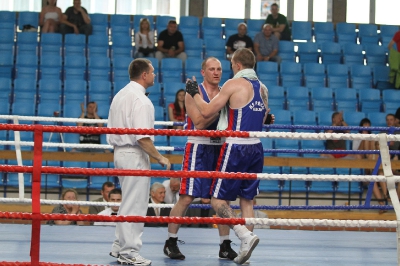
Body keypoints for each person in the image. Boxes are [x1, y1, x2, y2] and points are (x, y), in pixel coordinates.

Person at [186, 48, 269, 264]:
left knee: (217, 199)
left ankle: (244, 235)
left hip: (236, 147)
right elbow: (264, 118)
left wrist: (195, 91)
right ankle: (245, 246)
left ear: (237, 65)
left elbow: (205, 111)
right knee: (247, 201)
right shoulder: (263, 89)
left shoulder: (234, 84)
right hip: (257, 147)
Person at [163, 57, 236, 261]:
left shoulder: (226, 92)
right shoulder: (192, 93)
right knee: (186, 197)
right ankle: (171, 242)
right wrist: (219, 108)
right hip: (198, 147)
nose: (216, 72)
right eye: (211, 69)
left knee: (223, 199)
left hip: (220, 147)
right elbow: (199, 123)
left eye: (219, 69)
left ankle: (225, 245)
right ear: (203, 72)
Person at [107, 58, 171, 265]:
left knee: (128, 201)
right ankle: (129, 251)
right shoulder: (141, 101)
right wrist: (160, 157)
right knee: (135, 204)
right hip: (134, 154)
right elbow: (142, 138)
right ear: (144, 75)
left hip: (121, 153)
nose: (154, 75)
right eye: (152, 72)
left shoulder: (120, 94)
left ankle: (119, 246)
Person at [355, 118, 388, 212]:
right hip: (367, 169)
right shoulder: (359, 139)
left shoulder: (373, 140)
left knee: (380, 175)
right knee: (372, 180)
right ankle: (382, 204)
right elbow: (357, 155)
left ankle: (384, 198)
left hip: (376, 169)